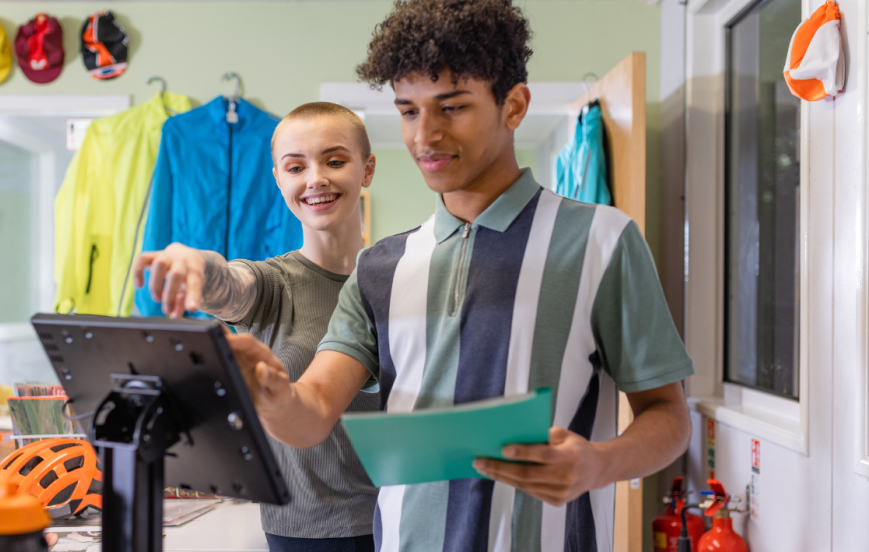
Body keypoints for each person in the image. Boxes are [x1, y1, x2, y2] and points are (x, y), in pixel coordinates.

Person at [222, 1, 695, 551]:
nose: (425, 136)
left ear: (513, 105)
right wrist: (270, 392)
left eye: (452, 107)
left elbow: (669, 418)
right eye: (408, 111)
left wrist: (599, 463)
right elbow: (312, 415)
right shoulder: (380, 268)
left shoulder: (602, 241)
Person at [134, 102, 380, 552]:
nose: (315, 178)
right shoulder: (273, 284)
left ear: (367, 169)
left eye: (335, 160)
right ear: (278, 181)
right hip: (301, 533)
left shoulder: (396, 278)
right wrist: (195, 262)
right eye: (295, 167)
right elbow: (228, 283)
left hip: (402, 521)